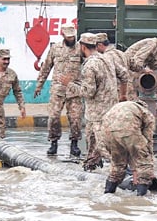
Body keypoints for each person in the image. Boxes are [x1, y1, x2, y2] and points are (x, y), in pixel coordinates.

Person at [64, 33, 119, 171]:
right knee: (101, 148)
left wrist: (69, 84)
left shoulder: (90, 65)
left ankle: (124, 171)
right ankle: (93, 168)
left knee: (101, 147)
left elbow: (88, 92)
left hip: (96, 114)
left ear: (83, 47)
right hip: (111, 110)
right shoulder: (106, 59)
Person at [34, 25, 83, 157]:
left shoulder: (80, 49)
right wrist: (39, 85)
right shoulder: (55, 49)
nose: (71, 39)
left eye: (73, 36)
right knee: (54, 116)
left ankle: (74, 144)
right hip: (58, 89)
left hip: (74, 89)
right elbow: (46, 67)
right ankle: (53, 143)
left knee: (75, 118)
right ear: (63, 36)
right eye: (68, 37)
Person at [101, 100, 157, 196]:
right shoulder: (146, 113)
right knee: (144, 163)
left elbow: (130, 146)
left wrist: (134, 170)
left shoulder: (121, 106)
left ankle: (108, 194)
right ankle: (141, 199)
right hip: (127, 129)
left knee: (117, 165)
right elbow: (147, 143)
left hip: (106, 131)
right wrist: (147, 162)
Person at [95, 33, 132, 101]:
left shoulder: (107, 57)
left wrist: (122, 94)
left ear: (99, 45)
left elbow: (123, 74)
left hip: (117, 94)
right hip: (128, 92)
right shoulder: (121, 53)